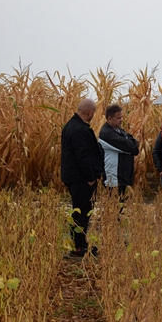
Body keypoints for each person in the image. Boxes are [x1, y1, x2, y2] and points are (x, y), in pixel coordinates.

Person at [61, 99, 104, 258]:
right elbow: (82, 155)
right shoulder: (79, 129)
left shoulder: (71, 126)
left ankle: (82, 243)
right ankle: (78, 247)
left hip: (75, 177)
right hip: (81, 179)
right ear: (90, 112)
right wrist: (90, 177)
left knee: (81, 211)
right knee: (81, 212)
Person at [98, 104, 140, 197]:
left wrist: (131, 143)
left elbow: (132, 144)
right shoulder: (107, 134)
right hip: (113, 177)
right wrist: (132, 143)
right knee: (113, 205)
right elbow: (130, 146)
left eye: (122, 117)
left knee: (120, 204)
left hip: (121, 175)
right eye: (118, 118)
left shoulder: (118, 131)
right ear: (109, 119)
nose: (121, 120)